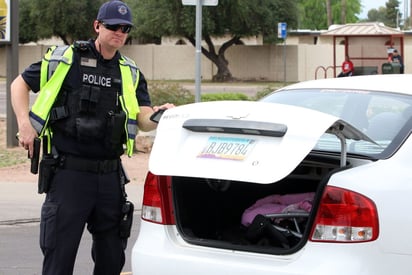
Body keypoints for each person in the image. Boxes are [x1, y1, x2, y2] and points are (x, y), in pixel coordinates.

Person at [10, 1, 174, 274]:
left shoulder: (130, 72)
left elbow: (141, 117)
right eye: (113, 27)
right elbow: (20, 84)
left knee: (111, 260)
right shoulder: (66, 60)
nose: (119, 32)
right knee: (59, 259)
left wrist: (158, 114)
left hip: (110, 178)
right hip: (68, 175)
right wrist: (25, 124)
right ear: (97, 26)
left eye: (125, 28)